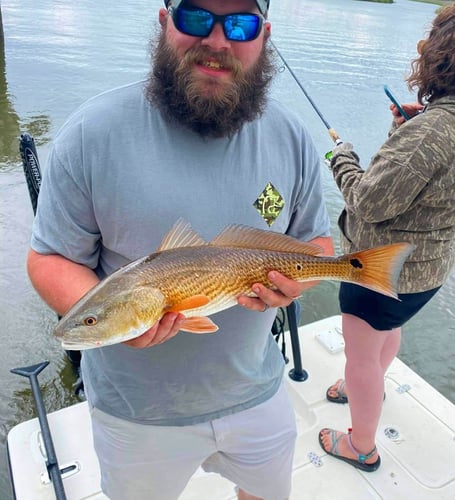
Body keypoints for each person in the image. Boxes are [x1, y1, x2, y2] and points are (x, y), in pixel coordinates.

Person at [27, 0, 334, 499]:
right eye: (195, 17)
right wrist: (115, 321)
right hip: (135, 413)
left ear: (264, 35)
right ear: (165, 21)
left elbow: (317, 243)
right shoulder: (91, 133)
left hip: (259, 389)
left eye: (239, 23)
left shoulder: (293, 136)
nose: (217, 41)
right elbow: (49, 257)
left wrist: (300, 279)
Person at [319, 0, 455, 472]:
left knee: (360, 349)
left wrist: (342, 157)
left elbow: (369, 200)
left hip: (381, 269)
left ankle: (361, 444)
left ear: (439, 56)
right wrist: (411, 127)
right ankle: (369, 381)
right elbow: (430, 173)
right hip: (429, 271)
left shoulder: (433, 131)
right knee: (387, 334)